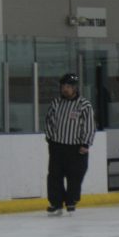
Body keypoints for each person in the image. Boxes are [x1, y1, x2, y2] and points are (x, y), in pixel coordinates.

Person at [44, 73, 95, 214]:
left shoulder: (84, 105)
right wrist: (50, 138)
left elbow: (89, 126)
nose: (65, 89)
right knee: (54, 176)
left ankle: (71, 200)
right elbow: (48, 121)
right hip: (57, 146)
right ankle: (56, 203)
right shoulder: (56, 103)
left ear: (74, 88)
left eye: (68, 86)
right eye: (63, 86)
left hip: (76, 148)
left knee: (75, 176)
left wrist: (85, 144)